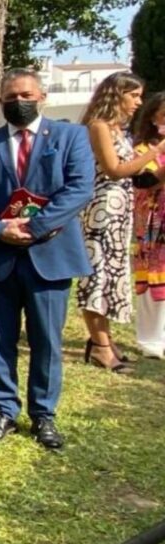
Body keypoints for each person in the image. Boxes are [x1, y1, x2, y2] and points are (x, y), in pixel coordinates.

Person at [0, 68, 95, 451]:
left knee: (46, 341)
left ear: (42, 96)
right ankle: (4, 409)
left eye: (25, 95)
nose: (18, 102)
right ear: (0, 102)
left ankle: (43, 415)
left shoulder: (72, 137)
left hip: (50, 256)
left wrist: (36, 228)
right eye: (9, 97)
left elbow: (79, 188)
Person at [76, 72, 164, 373]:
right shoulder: (99, 126)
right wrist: (157, 150)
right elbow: (114, 169)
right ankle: (100, 346)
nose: (138, 102)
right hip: (102, 209)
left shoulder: (118, 129)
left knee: (111, 276)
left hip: (120, 211)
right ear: (117, 94)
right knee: (97, 276)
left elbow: (133, 175)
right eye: (134, 95)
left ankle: (104, 341)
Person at [131, 93, 165, 358]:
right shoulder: (142, 149)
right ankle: (151, 340)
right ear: (154, 118)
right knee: (155, 278)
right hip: (155, 226)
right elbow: (143, 183)